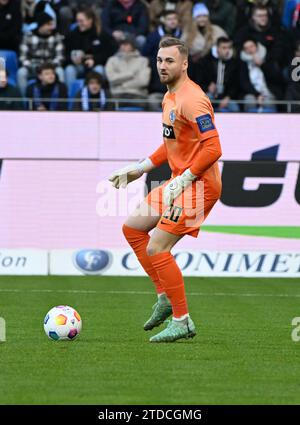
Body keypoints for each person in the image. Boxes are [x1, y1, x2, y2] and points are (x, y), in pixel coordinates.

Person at [108, 37, 222, 343]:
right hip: (179, 181)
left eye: (169, 61)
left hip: (199, 186)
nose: (162, 66)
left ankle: (181, 320)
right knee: (132, 228)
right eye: (159, 60)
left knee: (157, 247)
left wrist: (183, 181)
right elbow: (172, 142)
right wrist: (139, 168)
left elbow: (213, 148)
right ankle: (164, 296)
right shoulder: (169, 96)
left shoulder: (192, 99)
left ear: (184, 64)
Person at [65, 7, 118, 91]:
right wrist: (72, 60)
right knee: (69, 70)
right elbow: (65, 54)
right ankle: (72, 100)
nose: (79, 24)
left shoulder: (101, 34)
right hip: (78, 66)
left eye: (81, 21)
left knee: (99, 69)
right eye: (77, 21)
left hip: (96, 65)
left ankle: (97, 98)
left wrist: (95, 60)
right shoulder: (72, 35)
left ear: (90, 20)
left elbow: (109, 53)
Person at [17, 11, 65, 96]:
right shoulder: (28, 36)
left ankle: (58, 102)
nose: (52, 27)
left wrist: (49, 69)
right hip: (33, 67)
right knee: (21, 72)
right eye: (49, 24)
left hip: (51, 68)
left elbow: (60, 57)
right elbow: (23, 57)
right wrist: (35, 68)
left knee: (60, 71)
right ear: (41, 25)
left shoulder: (56, 36)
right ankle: (25, 103)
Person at [142, 10, 182, 110]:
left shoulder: (180, 62)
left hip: (176, 93)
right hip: (157, 93)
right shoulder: (153, 62)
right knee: (152, 100)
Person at [239, 38, 284, 112]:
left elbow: (276, 79)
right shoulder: (242, 64)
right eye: (246, 48)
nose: (250, 50)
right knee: (249, 100)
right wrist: (257, 94)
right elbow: (244, 83)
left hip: (269, 91)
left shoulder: (268, 58)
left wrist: (262, 65)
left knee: (269, 101)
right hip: (251, 93)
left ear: (257, 46)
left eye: (251, 46)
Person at [105, 36, 151, 108]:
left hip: (137, 94)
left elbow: (143, 81)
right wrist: (131, 74)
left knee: (147, 104)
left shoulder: (143, 60)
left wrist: (123, 85)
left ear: (133, 46)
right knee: (108, 105)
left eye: (126, 44)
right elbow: (111, 79)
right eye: (121, 44)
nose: (123, 46)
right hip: (117, 94)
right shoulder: (112, 60)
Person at [197, 37, 240, 112]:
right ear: (217, 48)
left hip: (226, 97)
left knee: (235, 108)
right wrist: (208, 87)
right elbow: (198, 81)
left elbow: (236, 84)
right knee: (204, 103)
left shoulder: (235, 63)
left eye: (229, 48)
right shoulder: (205, 61)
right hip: (208, 94)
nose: (227, 50)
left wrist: (228, 97)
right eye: (224, 48)